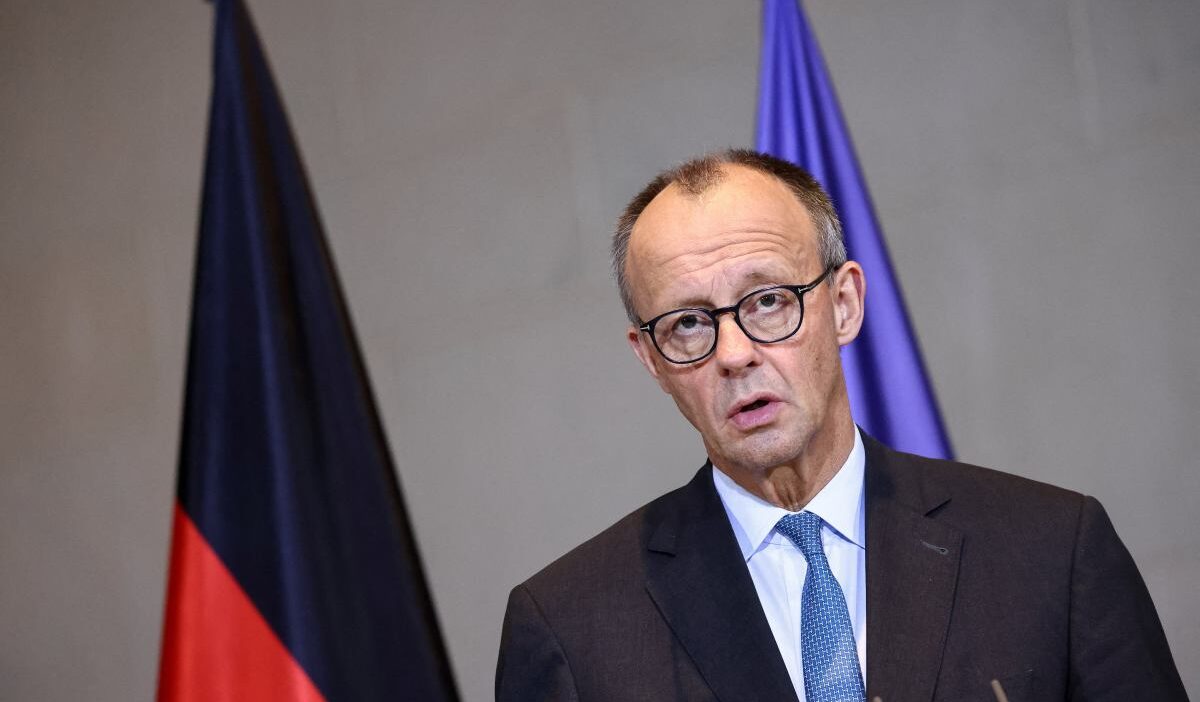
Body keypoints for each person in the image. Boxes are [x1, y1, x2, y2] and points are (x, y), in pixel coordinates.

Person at [495, 149, 1187, 702]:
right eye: (688, 323)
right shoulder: (570, 629)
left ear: (845, 303)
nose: (734, 354)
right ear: (651, 359)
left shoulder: (1050, 550)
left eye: (768, 301)